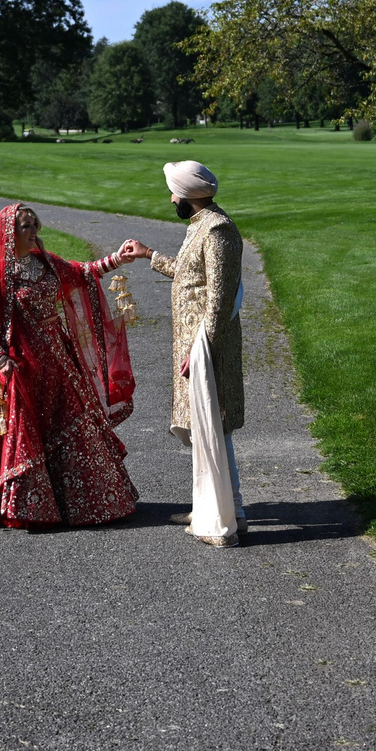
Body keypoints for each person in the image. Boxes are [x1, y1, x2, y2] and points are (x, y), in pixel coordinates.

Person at [0, 203, 156, 529]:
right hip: (19, 366)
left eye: (35, 225)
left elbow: (79, 272)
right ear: (8, 233)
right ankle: (26, 506)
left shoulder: (44, 263)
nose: (34, 232)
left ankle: (82, 503)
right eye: (26, 227)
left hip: (58, 360)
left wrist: (117, 259)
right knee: (24, 433)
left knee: (74, 422)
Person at [153, 160, 245, 543]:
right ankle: (214, 504)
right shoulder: (200, 226)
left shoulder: (218, 229)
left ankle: (229, 514)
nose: (170, 197)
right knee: (201, 428)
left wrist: (200, 348)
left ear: (186, 196)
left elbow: (221, 298)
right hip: (195, 346)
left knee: (214, 425)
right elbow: (192, 277)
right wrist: (149, 256)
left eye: (173, 191)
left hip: (208, 348)